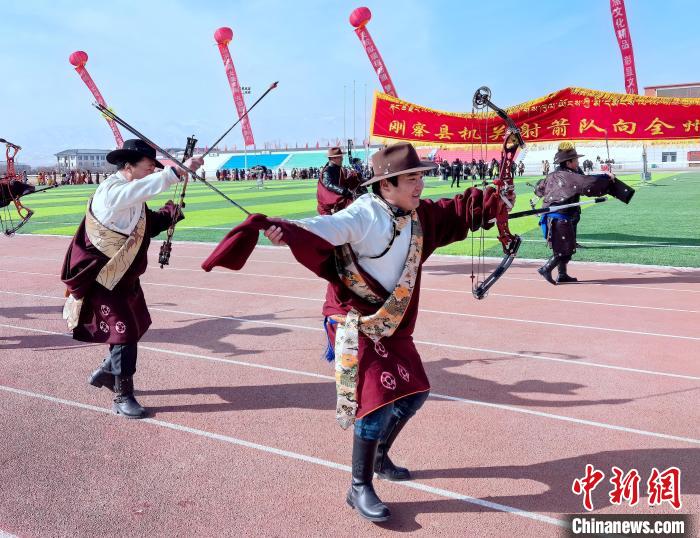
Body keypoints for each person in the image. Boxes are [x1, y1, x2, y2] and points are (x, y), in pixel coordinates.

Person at [201, 142, 509, 522]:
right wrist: (287, 230)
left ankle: (379, 456)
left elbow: (456, 211)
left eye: (420, 178)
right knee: (376, 400)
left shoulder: (419, 215)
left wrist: (493, 202)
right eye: (411, 179)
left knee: (416, 392)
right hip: (353, 321)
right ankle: (358, 486)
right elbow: (324, 227)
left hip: (392, 324)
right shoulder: (363, 213)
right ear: (386, 185)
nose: (420, 186)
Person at [61, 139, 203, 418]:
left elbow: (146, 225)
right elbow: (140, 190)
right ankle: (122, 396)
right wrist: (176, 172)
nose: (152, 170)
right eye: (149, 166)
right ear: (128, 165)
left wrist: (171, 214)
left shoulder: (132, 195)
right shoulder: (113, 191)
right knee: (124, 332)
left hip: (124, 276)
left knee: (135, 325)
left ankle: (107, 370)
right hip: (103, 277)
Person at [535, 141, 634, 284]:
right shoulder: (568, 176)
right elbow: (588, 184)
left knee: (563, 246)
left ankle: (562, 275)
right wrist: (607, 179)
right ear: (568, 162)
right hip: (559, 217)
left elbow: (539, 189)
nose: (578, 162)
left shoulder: (555, 175)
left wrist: (604, 176)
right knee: (566, 248)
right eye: (575, 160)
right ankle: (546, 268)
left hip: (560, 216)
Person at [316, 147, 358, 215]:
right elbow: (328, 184)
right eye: (340, 157)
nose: (342, 159)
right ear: (333, 158)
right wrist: (344, 191)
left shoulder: (338, 169)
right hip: (328, 206)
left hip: (336, 202)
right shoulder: (327, 170)